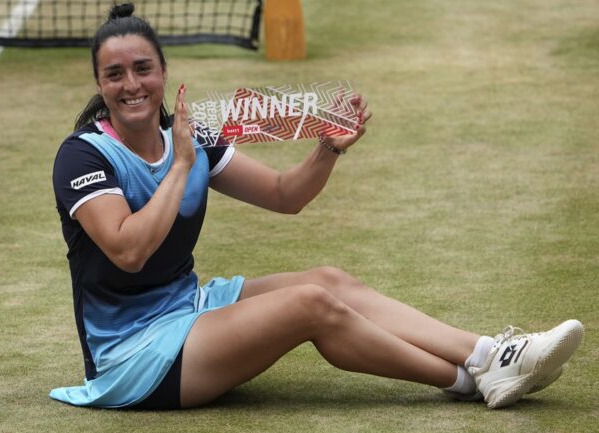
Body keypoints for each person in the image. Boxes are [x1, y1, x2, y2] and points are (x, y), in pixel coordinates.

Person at [50, 3, 584, 411]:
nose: (131, 85)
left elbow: (287, 195)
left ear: (164, 72)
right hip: (132, 360)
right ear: (100, 83)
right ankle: (468, 381)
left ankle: (490, 354)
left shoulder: (190, 138)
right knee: (309, 304)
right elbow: (128, 250)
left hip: (189, 310)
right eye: (115, 74)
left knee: (329, 279)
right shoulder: (82, 157)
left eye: (142, 69)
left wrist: (328, 147)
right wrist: (183, 165)